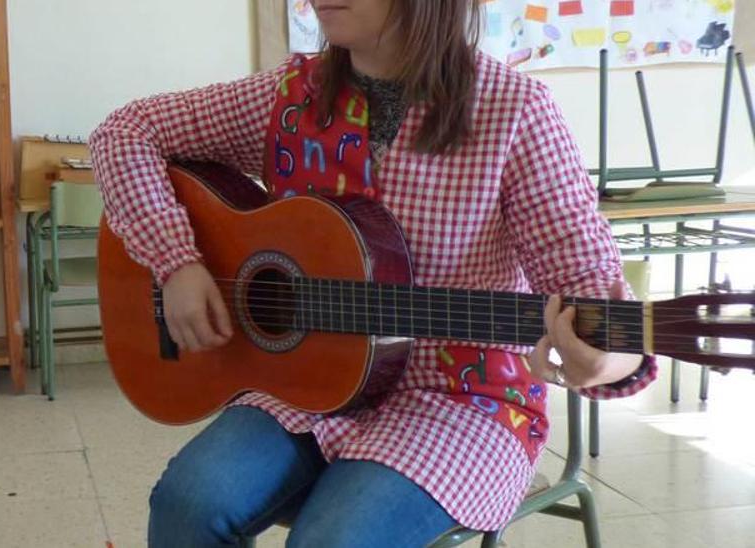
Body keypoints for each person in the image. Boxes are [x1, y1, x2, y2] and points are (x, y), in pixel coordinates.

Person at [90, 1, 657, 546]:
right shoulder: (290, 95)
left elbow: (589, 284)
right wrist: (178, 262)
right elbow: (124, 132)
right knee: (188, 503)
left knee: (334, 540)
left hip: (463, 399)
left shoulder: (515, 110)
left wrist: (609, 358)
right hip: (306, 382)